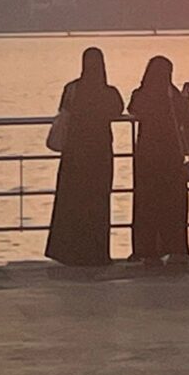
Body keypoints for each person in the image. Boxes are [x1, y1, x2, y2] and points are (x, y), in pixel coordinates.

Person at [45, 47, 124, 266]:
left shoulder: (72, 89)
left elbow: (63, 110)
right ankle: (96, 252)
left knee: (72, 202)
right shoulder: (109, 92)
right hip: (99, 155)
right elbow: (117, 111)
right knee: (97, 203)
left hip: (74, 155)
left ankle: (69, 252)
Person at [128, 55, 189, 265]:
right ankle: (175, 248)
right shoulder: (173, 94)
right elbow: (186, 119)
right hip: (171, 155)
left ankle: (147, 250)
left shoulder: (141, 94)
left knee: (147, 203)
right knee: (173, 204)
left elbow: (132, 109)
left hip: (147, 155)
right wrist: (186, 98)